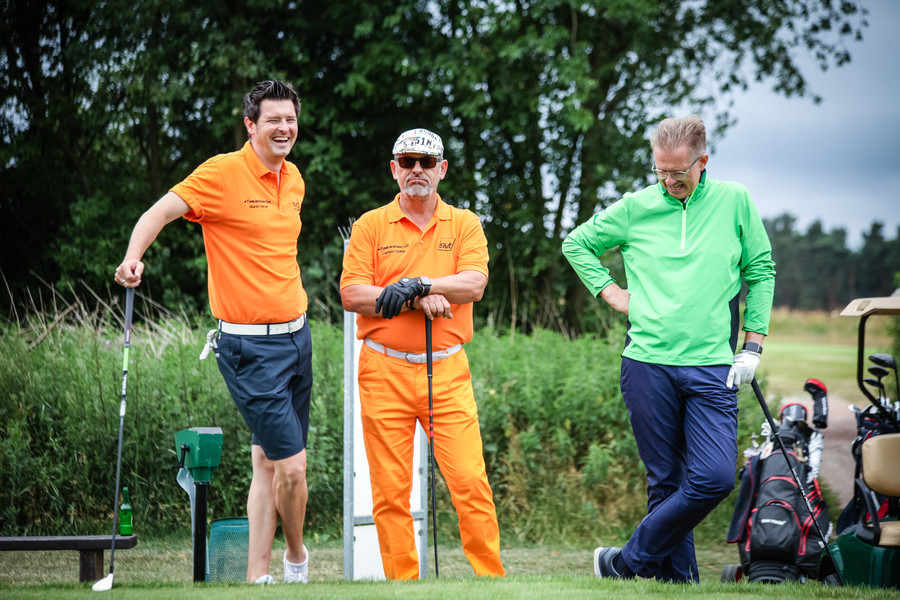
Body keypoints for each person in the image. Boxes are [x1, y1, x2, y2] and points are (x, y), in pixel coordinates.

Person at [113, 80, 313, 585]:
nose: (284, 128)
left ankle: (256, 578)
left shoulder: (293, 179)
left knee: (267, 462)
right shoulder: (221, 173)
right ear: (250, 125)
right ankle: (296, 560)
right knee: (292, 468)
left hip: (298, 338)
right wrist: (133, 258)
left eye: (290, 119)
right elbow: (159, 212)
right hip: (249, 347)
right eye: (273, 120)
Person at [562, 115, 775, 583]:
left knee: (714, 478)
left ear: (703, 161)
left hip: (713, 366)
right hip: (647, 364)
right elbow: (577, 243)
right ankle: (679, 586)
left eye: (678, 172)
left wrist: (752, 346)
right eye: (660, 171)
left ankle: (624, 563)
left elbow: (760, 271)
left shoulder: (734, 201)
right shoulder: (635, 207)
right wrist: (610, 292)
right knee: (666, 481)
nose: (668, 181)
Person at [340, 128, 506, 580]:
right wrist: (419, 299)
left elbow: (473, 284)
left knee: (469, 481)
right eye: (407, 161)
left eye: (426, 162)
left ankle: (492, 581)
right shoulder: (370, 225)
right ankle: (403, 586)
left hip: (447, 370)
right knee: (390, 491)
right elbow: (353, 294)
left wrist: (418, 283)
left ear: (442, 169)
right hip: (382, 369)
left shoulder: (465, 223)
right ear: (394, 169)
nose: (417, 170)